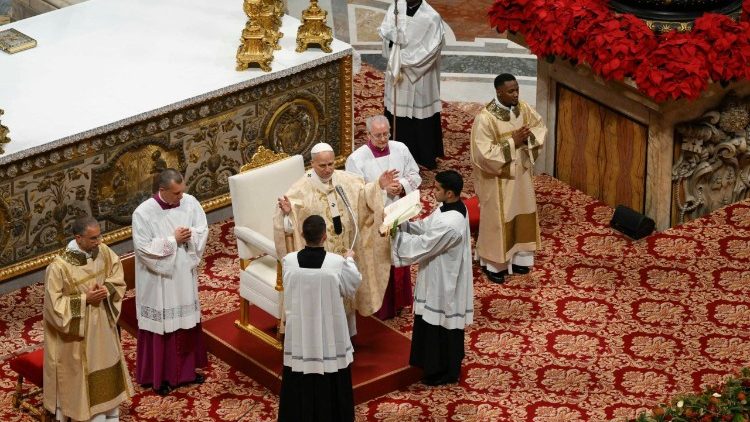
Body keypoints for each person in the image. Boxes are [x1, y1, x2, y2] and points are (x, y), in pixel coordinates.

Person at [274, 142, 396, 336]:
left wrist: (378, 186)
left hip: (345, 245)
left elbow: (363, 196)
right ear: (312, 164)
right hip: (321, 255)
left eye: (331, 164)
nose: (328, 169)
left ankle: (347, 335)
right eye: (322, 165)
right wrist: (288, 213)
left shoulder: (346, 180)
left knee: (345, 296)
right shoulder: (301, 188)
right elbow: (288, 221)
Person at [43, 216, 133, 421]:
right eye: (93, 238)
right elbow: (53, 306)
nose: (99, 241)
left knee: (108, 369)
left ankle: (111, 415)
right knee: (84, 380)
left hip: (103, 325)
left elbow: (116, 275)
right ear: (78, 238)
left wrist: (106, 289)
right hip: (78, 336)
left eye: (99, 236)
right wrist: (85, 300)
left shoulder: (103, 251)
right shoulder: (59, 267)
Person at [390, 170, 473, 386]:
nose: (432, 191)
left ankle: (443, 371)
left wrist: (395, 238)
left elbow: (424, 244)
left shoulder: (451, 223)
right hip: (438, 272)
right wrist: (402, 224)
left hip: (445, 280)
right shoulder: (449, 207)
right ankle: (433, 365)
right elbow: (427, 227)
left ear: (450, 193)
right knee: (435, 321)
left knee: (442, 323)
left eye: (437, 189)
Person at [132, 168, 209, 395]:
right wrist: (172, 240)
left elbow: (202, 229)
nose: (181, 196)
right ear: (162, 190)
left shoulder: (190, 202)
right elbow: (143, 249)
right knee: (163, 326)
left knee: (186, 322)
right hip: (159, 279)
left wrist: (191, 235)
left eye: (182, 191)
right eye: (176, 193)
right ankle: (160, 377)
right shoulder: (143, 213)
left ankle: (186, 372)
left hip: (183, 272)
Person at [278, 215, 361, 422]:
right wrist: (350, 259)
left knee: (300, 375)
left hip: (301, 332)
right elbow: (352, 286)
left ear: (302, 235)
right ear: (325, 236)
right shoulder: (337, 263)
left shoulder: (289, 262)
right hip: (328, 332)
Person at [470, 73, 546, 283]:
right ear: (499, 92)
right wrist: (513, 142)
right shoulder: (485, 119)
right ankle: (494, 264)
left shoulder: (523, 108)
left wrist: (528, 139)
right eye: (511, 91)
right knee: (498, 220)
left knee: (522, 211)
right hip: (498, 180)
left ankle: (520, 258)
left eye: (517, 89)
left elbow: (539, 127)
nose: (516, 94)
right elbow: (482, 155)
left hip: (521, 176)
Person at [346, 115, 421, 320]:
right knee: (379, 262)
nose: (382, 139)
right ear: (368, 135)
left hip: (399, 212)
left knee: (399, 258)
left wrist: (401, 186)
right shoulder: (356, 159)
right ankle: (380, 306)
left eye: (386, 134)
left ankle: (398, 301)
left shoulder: (400, 149)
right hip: (373, 220)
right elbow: (355, 194)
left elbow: (415, 174)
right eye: (377, 135)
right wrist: (381, 189)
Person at [378, 0, 445, 169]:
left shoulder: (431, 17)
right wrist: (392, 39)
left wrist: (403, 60)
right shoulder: (395, 7)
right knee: (396, 111)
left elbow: (432, 49)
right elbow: (385, 31)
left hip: (420, 73)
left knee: (419, 113)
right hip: (397, 69)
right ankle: (393, 150)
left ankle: (422, 155)